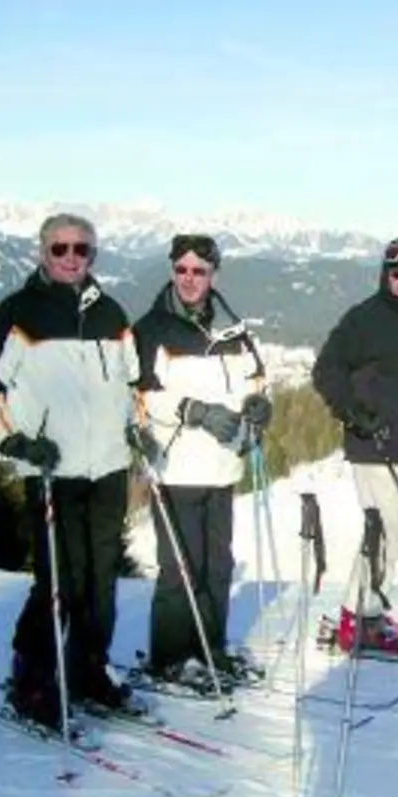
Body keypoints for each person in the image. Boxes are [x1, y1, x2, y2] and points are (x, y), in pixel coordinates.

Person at [0, 212, 140, 731]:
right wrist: (14, 441)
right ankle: (32, 680)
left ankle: (88, 669)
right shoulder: (19, 313)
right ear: (43, 253)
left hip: (108, 467)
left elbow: (133, 384)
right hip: (52, 469)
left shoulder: (111, 312)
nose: (70, 258)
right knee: (59, 579)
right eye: (59, 248)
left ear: (93, 255)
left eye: (80, 249)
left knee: (101, 581)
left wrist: (136, 427)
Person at [131, 233, 272, 693]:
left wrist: (258, 406)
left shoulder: (234, 330)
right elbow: (138, 395)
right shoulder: (152, 329)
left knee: (217, 566)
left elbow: (256, 381)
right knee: (181, 568)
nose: (189, 279)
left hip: (223, 465)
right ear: (172, 270)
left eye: (199, 271)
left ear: (214, 274)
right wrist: (192, 409)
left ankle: (210, 649)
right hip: (176, 465)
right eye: (182, 269)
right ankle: (171, 658)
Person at [310, 237, 398, 659]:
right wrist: (354, 412)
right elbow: (325, 370)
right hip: (375, 443)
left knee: (396, 538)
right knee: (384, 532)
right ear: (384, 275)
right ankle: (356, 619)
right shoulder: (364, 319)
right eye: (397, 273)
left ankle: (367, 612)